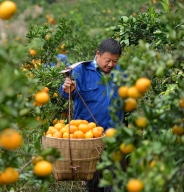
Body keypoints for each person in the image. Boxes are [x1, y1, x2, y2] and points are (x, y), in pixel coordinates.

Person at [59, 38, 124, 192]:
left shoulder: (120, 72)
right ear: (98, 54)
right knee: (94, 184)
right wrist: (69, 89)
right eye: (107, 60)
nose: (110, 65)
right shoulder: (81, 70)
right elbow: (65, 92)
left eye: (114, 61)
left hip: (115, 137)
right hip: (90, 139)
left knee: (116, 184)